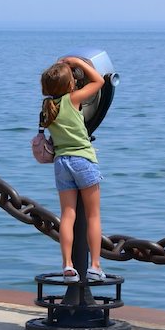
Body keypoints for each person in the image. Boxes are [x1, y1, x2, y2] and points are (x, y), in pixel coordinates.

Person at [40, 56, 105, 283]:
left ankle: (68, 264)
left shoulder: (48, 107)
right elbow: (98, 82)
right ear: (71, 85)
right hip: (83, 161)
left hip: (61, 163)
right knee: (93, 214)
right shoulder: (73, 99)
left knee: (68, 215)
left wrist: (61, 67)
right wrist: (77, 62)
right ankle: (95, 266)